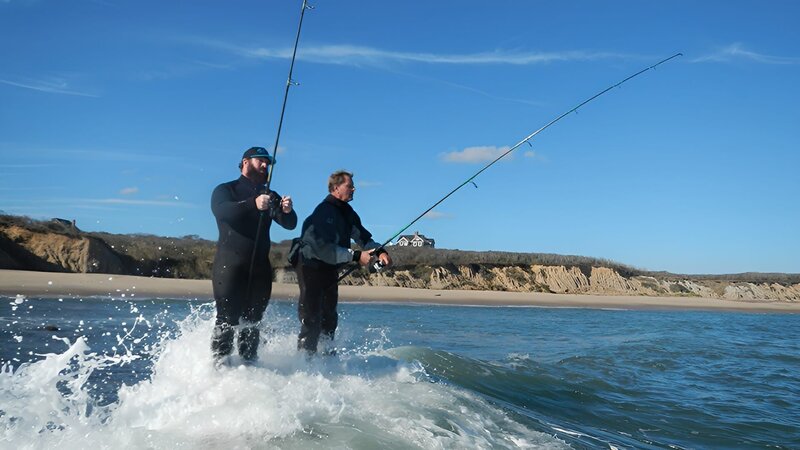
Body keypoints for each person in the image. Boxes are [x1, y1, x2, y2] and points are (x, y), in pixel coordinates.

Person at [210, 146, 297, 364]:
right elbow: (222, 211)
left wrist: (286, 211)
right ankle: (218, 372)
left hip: (259, 269)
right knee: (227, 320)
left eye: (269, 163)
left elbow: (290, 224)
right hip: (230, 266)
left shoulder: (270, 195)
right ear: (246, 162)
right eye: (262, 161)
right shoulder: (226, 189)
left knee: (253, 322)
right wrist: (252, 204)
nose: (266, 166)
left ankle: (249, 369)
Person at [292, 170, 392, 354]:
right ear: (336, 188)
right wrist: (355, 256)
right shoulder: (323, 212)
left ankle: (326, 362)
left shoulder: (348, 213)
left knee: (329, 319)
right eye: (349, 186)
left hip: (330, 268)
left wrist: (380, 251)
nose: (354, 189)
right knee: (311, 318)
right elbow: (323, 249)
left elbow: (363, 238)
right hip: (310, 266)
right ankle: (304, 366)